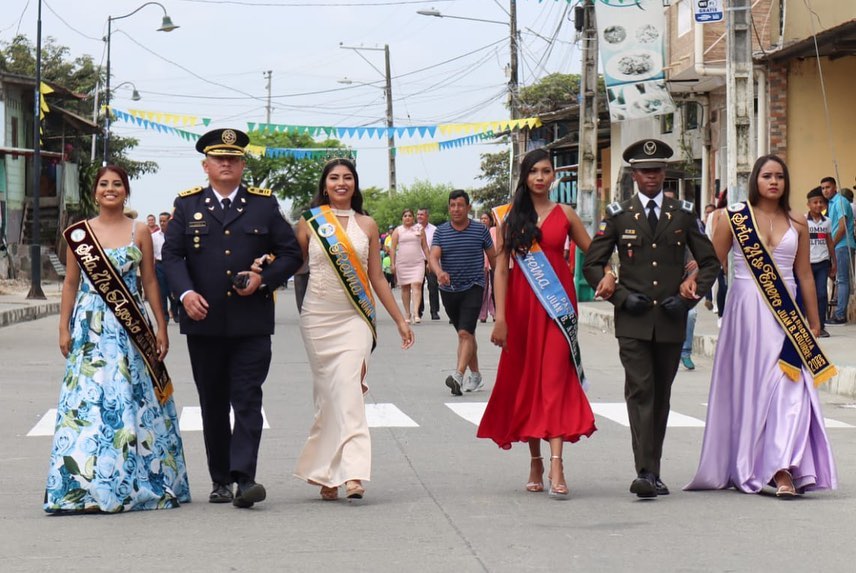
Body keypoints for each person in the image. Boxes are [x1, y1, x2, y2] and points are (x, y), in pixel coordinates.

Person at [162, 128, 302, 509]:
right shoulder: (188, 205)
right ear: (206, 165)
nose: (226, 163)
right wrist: (185, 294)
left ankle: (245, 478)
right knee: (213, 403)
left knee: (247, 398)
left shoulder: (263, 205)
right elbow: (172, 256)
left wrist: (263, 279)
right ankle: (220, 479)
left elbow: (290, 253)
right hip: (204, 321)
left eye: (233, 158)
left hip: (250, 321)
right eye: (219, 158)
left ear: (242, 165)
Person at [686, 155, 838, 498]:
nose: (774, 182)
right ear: (755, 179)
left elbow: (804, 275)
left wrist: (814, 321)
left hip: (786, 316)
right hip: (745, 315)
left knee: (789, 388)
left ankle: (783, 468)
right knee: (751, 391)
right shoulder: (734, 217)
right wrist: (688, 292)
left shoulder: (798, 222)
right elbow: (712, 263)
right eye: (767, 176)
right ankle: (753, 461)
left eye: (779, 177)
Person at [46, 165, 190, 513]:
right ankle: (85, 485)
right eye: (103, 184)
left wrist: (161, 325)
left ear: (126, 191)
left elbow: (150, 281)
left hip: (130, 327)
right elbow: (70, 284)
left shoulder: (139, 231)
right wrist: (64, 327)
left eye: (117, 184)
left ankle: (136, 480)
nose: (110, 189)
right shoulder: (78, 234)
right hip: (90, 326)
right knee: (88, 402)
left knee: (132, 397)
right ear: (95, 192)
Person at [583, 139, 719, 499]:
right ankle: (645, 472)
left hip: (672, 318)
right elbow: (592, 264)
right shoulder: (618, 215)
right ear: (634, 174)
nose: (651, 176)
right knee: (641, 390)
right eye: (645, 171)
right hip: (633, 320)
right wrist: (620, 296)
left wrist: (689, 297)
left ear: (665, 172)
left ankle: (653, 471)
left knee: (661, 395)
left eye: (657, 170)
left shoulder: (683, 213)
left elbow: (710, 263)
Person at [476, 148, 615, 498]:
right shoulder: (509, 218)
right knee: (527, 383)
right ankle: (535, 461)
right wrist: (501, 318)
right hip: (521, 310)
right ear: (524, 177)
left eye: (546, 171)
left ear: (554, 176)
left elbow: (593, 252)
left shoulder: (565, 214)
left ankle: (556, 463)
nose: (540, 177)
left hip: (558, 308)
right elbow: (501, 271)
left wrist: (609, 272)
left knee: (553, 381)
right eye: (534, 171)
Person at [292, 158, 414, 501]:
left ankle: (354, 472)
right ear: (325, 184)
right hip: (318, 317)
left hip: (356, 317)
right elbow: (293, 263)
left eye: (347, 177)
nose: (341, 183)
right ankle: (326, 472)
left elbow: (377, 277)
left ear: (355, 184)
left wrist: (400, 319)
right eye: (334, 178)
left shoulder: (368, 224)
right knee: (328, 396)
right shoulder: (310, 222)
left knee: (348, 389)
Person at [429, 190, 496, 395]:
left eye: (460, 205)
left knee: (465, 333)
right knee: (466, 334)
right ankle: (475, 376)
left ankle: (458, 375)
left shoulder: (480, 230)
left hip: (474, 286)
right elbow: (433, 257)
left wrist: (501, 283)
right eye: (452, 205)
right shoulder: (441, 232)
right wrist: (439, 272)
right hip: (449, 289)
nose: (456, 209)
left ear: (468, 207)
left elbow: (494, 259)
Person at [821, 176, 854, 325]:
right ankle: (839, 312)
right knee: (838, 279)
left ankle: (840, 315)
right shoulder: (830, 204)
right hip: (837, 246)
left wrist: (831, 245)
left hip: (842, 245)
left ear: (835, 187)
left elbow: (842, 227)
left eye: (828, 187)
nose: (825, 190)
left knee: (842, 280)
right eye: (823, 188)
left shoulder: (840, 201)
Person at [390, 208, 430, 324]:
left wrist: (430, 261)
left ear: (413, 218)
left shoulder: (419, 229)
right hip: (402, 263)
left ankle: (416, 312)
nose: (407, 218)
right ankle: (407, 313)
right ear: (402, 218)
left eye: (410, 216)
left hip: (417, 262)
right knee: (405, 287)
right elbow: (392, 248)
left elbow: (425, 247)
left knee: (417, 284)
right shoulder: (398, 231)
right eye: (405, 216)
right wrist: (392, 264)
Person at [806, 186, 835, 337]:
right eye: (815, 202)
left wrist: (834, 262)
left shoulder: (827, 222)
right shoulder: (803, 221)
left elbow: (829, 242)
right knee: (806, 294)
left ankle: (820, 326)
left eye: (821, 202)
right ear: (808, 204)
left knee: (822, 294)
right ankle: (807, 325)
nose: (818, 205)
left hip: (823, 263)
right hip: (807, 264)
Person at [153, 211, 179, 323]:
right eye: (161, 221)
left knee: (173, 291)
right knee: (162, 292)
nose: (162, 223)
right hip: (159, 265)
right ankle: (165, 316)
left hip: (172, 265)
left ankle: (175, 313)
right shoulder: (154, 236)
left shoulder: (175, 235)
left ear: (169, 221)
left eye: (164, 221)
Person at [416, 207, 441, 320]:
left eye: (422, 214)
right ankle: (418, 311)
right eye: (418, 214)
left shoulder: (434, 229)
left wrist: (432, 261)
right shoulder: (414, 229)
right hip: (417, 261)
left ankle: (434, 311)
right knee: (418, 286)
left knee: (433, 285)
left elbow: (436, 246)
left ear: (427, 216)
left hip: (431, 260)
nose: (419, 216)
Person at [478, 212, 497, 323]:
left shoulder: (494, 231)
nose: (483, 220)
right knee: (483, 289)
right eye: (481, 218)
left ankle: (494, 312)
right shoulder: (478, 232)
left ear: (490, 220)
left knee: (493, 289)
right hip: (481, 264)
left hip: (492, 263)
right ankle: (482, 314)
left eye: (485, 218)